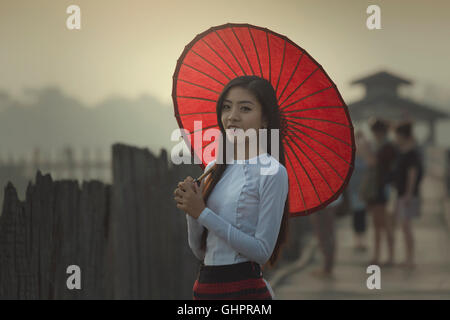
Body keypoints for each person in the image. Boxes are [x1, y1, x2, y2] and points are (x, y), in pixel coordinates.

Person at [173, 76, 289, 300]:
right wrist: (192, 210)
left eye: (245, 108)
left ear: (265, 119)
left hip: (243, 291)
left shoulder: (272, 171)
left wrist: (202, 212)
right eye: (226, 107)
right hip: (205, 288)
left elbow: (262, 251)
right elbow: (200, 250)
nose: (232, 117)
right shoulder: (213, 168)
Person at [391, 121, 423, 269]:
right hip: (401, 193)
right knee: (404, 227)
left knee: (406, 226)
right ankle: (408, 258)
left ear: (403, 136)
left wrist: (409, 194)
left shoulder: (411, 153)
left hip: (407, 194)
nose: (395, 138)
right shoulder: (404, 151)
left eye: (397, 135)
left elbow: (412, 174)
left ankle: (410, 259)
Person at [366, 118, 397, 266]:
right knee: (377, 223)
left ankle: (388, 256)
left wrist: (365, 150)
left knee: (384, 224)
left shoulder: (387, 148)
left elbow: (374, 163)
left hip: (383, 189)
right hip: (379, 188)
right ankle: (378, 255)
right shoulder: (384, 146)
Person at [309, 194, 343, 279]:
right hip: (331, 197)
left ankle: (327, 266)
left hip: (323, 199)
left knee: (323, 232)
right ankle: (328, 265)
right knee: (328, 232)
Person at [348, 130, 370, 252]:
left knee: (361, 216)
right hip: (353, 189)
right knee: (356, 216)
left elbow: (368, 170)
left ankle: (361, 241)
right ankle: (357, 241)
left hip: (362, 189)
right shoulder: (351, 154)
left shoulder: (364, 156)